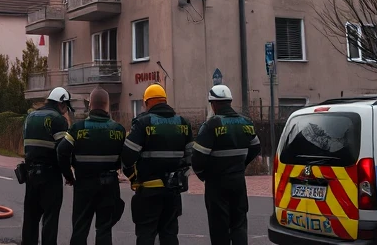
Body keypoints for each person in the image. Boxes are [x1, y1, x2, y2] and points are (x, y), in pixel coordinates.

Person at [121, 83, 192, 245]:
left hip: (148, 191)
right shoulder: (183, 123)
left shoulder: (143, 123)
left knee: (146, 234)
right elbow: (190, 158)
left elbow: (127, 156)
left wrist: (133, 177)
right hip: (173, 191)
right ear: (165, 101)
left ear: (147, 103)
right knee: (169, 234)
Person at [192, 85, 261, 245]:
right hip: (238, 182)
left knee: (219, 227)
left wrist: (204, 175)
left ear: (214, 104)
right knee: (239, 225)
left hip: (217, 184)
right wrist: (241, 165)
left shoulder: (211, 125)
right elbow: (256, 147)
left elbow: (197, 158)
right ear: (229, 102)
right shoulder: (246, 123)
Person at [57, 87, 126, 245]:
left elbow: (61, 151)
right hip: (109, 185)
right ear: (107, 105)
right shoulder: (119, 130)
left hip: (84, 185)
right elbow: (127, 157)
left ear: (90, 106)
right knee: (104, 229)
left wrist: (69, 176)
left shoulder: (77, 128)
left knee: (80, 228)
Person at [22, 86, 72, 245]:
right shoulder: (58, 119)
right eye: (66, 108)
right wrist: (68, 175)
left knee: (30, 218)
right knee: (50, 219)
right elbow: (62, 152)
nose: (65, 112)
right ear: (61, 103)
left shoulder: (31, 116)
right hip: (50, 176)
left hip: (30, 174)